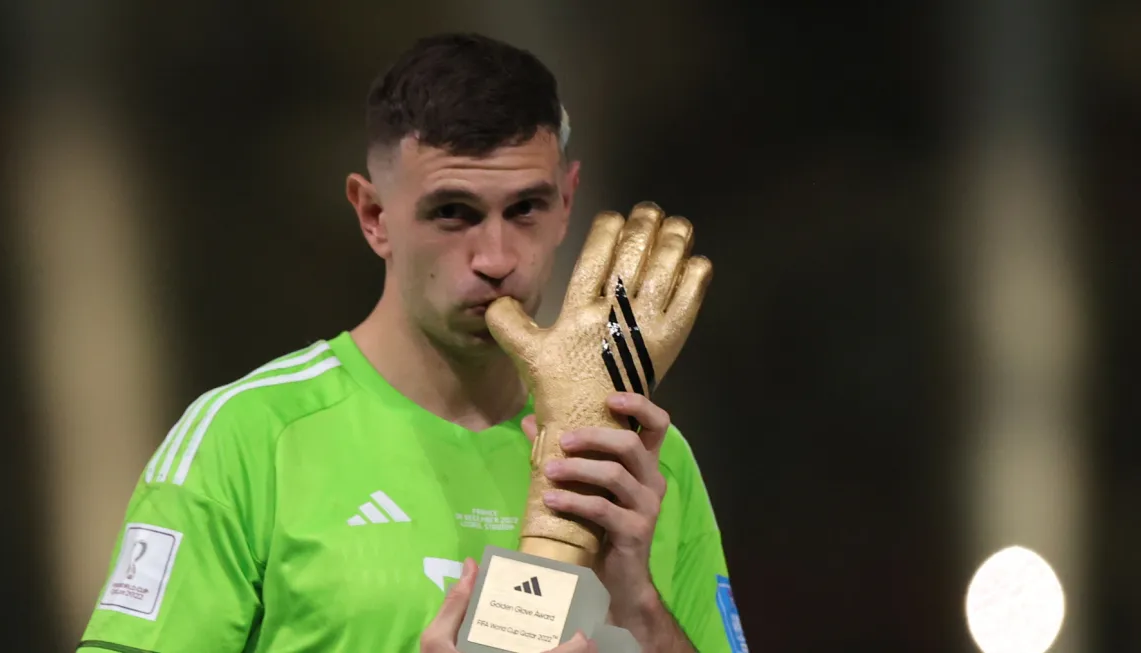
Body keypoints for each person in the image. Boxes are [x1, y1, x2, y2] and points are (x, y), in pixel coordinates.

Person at [77, 33, 746, 653]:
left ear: (567, 202)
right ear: (373, 216)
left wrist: (640, 605)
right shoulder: (249, 439)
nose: (494, 256)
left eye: (525, 209)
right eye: (452, 212)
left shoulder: (633, 458)